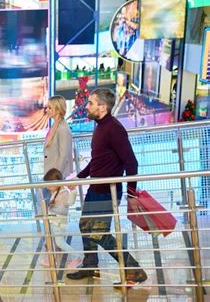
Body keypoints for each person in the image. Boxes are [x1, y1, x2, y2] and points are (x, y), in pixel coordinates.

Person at [66, 88, 147, 285]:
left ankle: (134, 270)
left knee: (99, 233)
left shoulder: (114, 129)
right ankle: (90, 265)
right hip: (95, 189)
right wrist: (79, 177)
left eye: (91, 103)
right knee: (85, 226)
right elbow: (97, 160)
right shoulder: (100, 126)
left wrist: (131, 193)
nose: (87, 106)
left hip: (108, 192)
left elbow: (131, 163)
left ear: (102, 107)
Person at [40, 168, 82, 268]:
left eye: (49, 184)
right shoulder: (55, 192)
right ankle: (50, 259)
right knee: (50, 241)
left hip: (59, 223)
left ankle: (77, 257)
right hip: (54, 222)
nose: (47, 187)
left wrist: (73, 192)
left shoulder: (63, 193)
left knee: (59, 243)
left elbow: (69, 203)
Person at [43, 95, 73, 178]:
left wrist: (55, 176)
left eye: (50, 108)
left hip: (57, 175)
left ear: (58, 110)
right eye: (47, 107)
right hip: (51, 172)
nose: (47, 110)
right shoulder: (55, 125)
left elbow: (63, 155)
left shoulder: (63, 129)